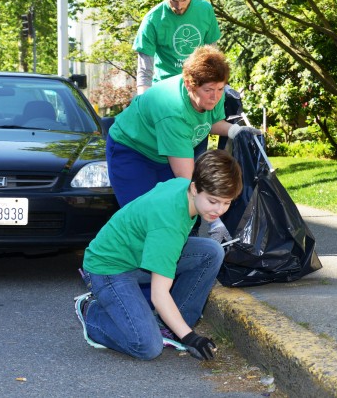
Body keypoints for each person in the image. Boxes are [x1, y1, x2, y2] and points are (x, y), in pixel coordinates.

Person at [74, 149, 243, 361]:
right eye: (213, 201)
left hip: (140, 256)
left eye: (226, 202)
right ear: (194, 188)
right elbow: (159, 294)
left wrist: (184, 333)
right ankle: (93, 314)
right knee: (147, 346)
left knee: (211, 252)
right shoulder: (169, 224)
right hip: (108, 268)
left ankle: (171, 326)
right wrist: (191, 338)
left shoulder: (186, 190)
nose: (219, 210)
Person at [106, 45, 260, 208]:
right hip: (132, 150)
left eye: (220, 89)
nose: (215, 96)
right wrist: (212, 204)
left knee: (172, 208)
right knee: (142, 213)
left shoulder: (213, 92)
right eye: (208, 90)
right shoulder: (173, 111)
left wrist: (236, 131)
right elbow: (185, 179)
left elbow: (211, 122)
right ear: (189, 84)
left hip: (164, 151)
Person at [133, 0, 221, 95]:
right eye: (173, 0)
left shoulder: (205, 10)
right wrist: (143, 102)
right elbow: (144, 73)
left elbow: (213, 58)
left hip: (199, 90)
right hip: (165, 91)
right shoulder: (152, 20)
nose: (179, 6)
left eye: (184, 0)